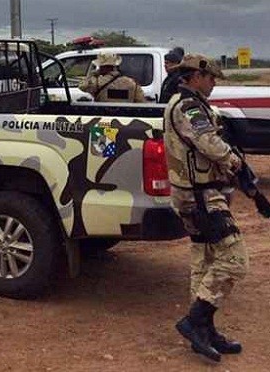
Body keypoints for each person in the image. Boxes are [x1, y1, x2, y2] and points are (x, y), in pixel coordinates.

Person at [163, 54, 248, 362]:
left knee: (204, 258)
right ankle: (195, 321)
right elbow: (209, 143)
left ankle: (205, 329)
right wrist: (236, 163)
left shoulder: (184, 103)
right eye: (211, 78)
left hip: (191, 193)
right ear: (195, 76)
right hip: (199, 196)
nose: (213, 84)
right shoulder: (188, 106)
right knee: (235, 259)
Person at [78, 53, 145, 102]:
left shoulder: (97, 82)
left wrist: (92, 74)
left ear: (102, 67)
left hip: (104, 118)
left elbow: (82, 86)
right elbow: (140, 101)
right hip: (125, 118)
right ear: (114, 66)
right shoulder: (132, 83)